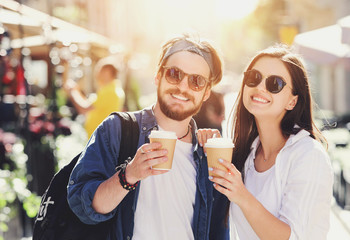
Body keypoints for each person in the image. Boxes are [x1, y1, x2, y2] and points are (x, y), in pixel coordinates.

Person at [67, 34, 230, 240]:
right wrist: (129, 175)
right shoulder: (118, 130)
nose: (182, 87)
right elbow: (83, 207)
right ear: (158, 76)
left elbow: (218, 230)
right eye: (174, 74)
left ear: (206, 93)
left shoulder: (208, 154)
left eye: (196, 81)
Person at [198, 44, 333, 239]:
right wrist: (212, 149)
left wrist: (242, 195)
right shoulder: (248, 154)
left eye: (275, 83)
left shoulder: (308, 156)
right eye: (254, 78)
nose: (260, 87)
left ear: (292, 101)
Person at [64, 59, 125, 137]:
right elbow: (87, 104)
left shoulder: (109, 91)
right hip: (100, 137)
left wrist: (73, 91)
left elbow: (84, 109)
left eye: (99, 70)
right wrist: (76, 90)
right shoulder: (111, 89)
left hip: (100, 138)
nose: (96, 74)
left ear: (107, 72)